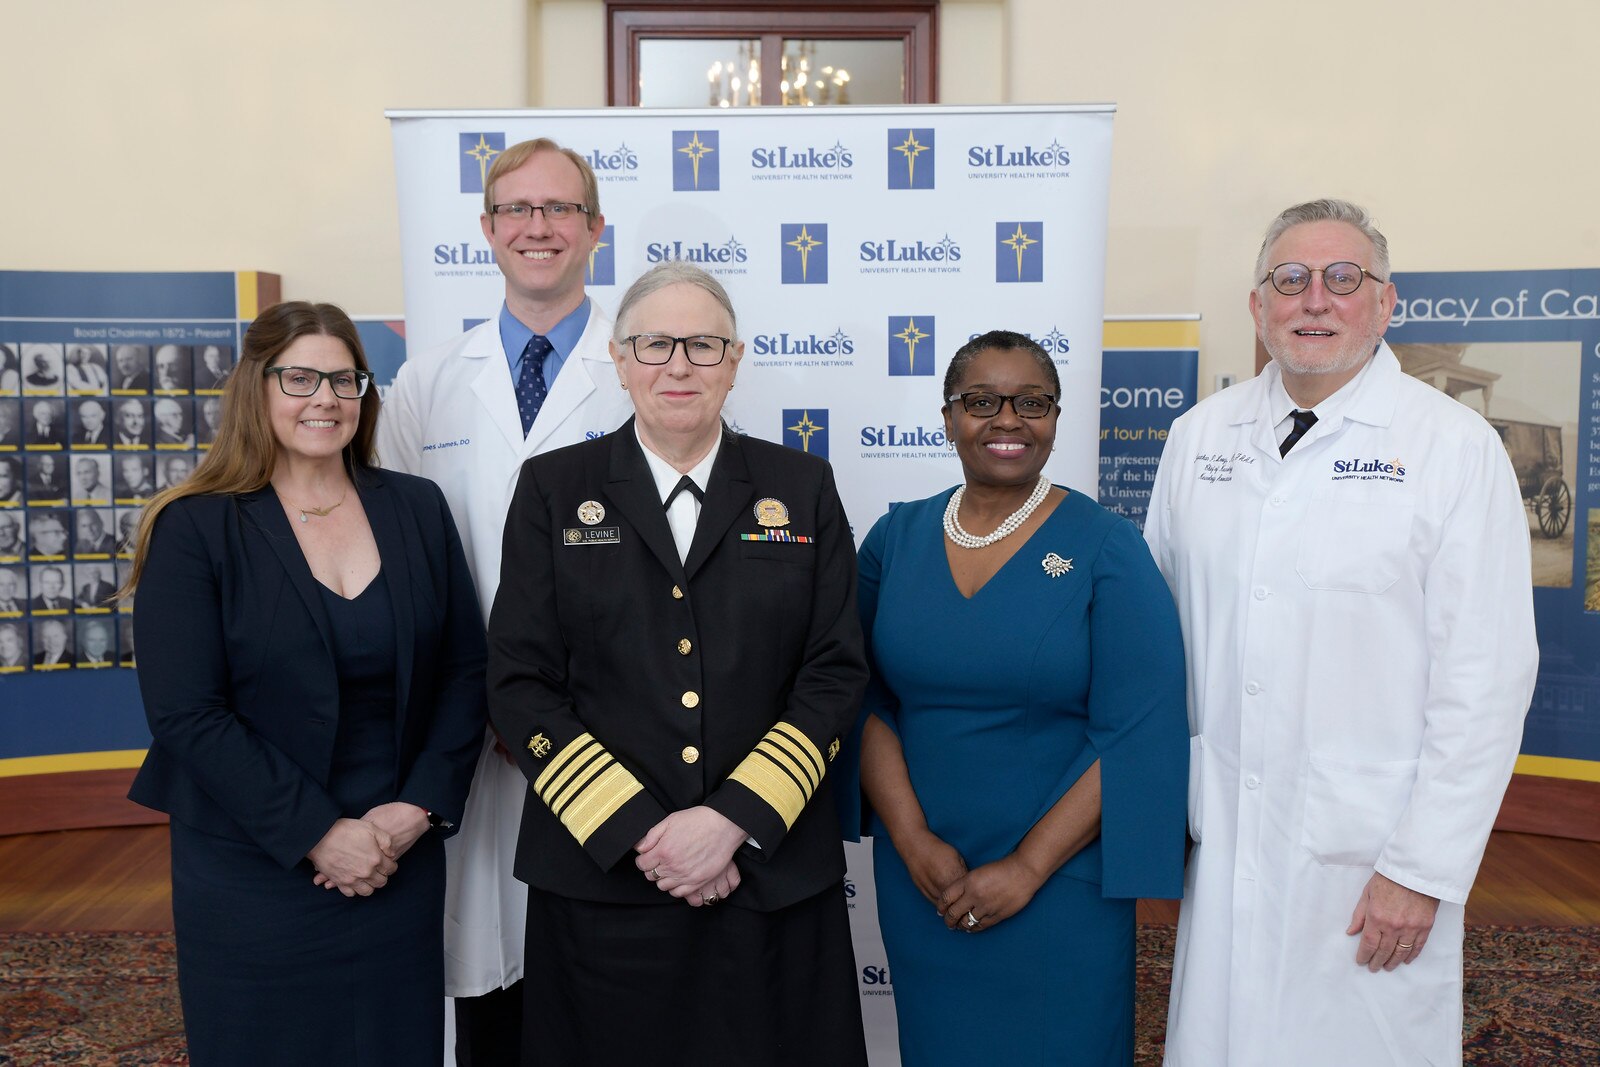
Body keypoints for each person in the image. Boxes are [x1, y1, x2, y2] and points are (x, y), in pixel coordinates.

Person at [1145, 199, 1540, 1066]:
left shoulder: (1453, 450)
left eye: (1341, 279)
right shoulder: (1199, 438)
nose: (1313, 300)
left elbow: (1488, 677)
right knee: (1220, 1037)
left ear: (1385, 302)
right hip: (1225, 832)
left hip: (1371, 855)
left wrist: (1423, 868)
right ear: (1259, 306)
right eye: (1289, 280)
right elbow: (1157, 644)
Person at [487, 262, 868, 1064]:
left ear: (735, 361)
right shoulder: (555, 489)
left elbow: (833, 672)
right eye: (654, 344)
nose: (679, 365)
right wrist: (646, 832)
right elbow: (520, 682)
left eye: (703, 344)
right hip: (604, 876)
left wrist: (731, 820)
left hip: (768, 874)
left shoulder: (802, 487)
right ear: (620, 362)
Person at [125, 300, 488, 1067]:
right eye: (301, 377)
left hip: (398, 852)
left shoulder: (416, 508)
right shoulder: (194, 527)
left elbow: (464, 670)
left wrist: (418, 807)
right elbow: (188, 714)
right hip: (256, 865)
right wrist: (320, 834)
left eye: (344, 378)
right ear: (256, 389)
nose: (325, 397)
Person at [856, 330, 1188, 1064]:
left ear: (1056, 417)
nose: (1008, 419)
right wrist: (911, 840)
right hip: (923, 875)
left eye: (1032, 402)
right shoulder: (893, 538)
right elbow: (864, 701)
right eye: (982, 401)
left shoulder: (1105, 546)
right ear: (948, 417)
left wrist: (1031, 864)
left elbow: (1139, 729)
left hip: (1060, 878)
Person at [375, 136, 633, 1061]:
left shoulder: (643, 368)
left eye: (559, 209)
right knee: (482, 968)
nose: (538, 227)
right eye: (517, 210)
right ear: (487, 229)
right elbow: (402, 559)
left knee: (601, 970)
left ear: (595, 229)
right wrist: (477, 701)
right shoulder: (431, 382)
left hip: (607, 721)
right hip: (467, 727)